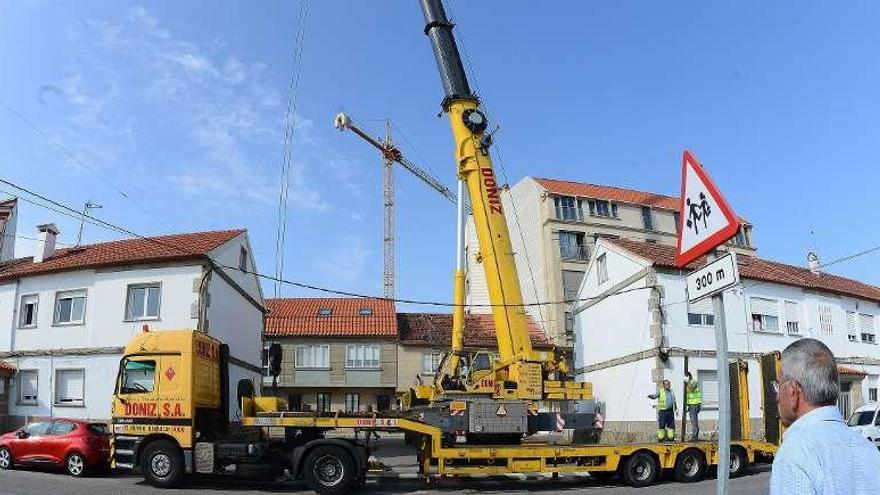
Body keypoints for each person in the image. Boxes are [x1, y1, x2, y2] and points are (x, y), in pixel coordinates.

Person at [770, 338, 880, 494]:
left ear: (792, 391)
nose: (776, 396)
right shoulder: (868, 449)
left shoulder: (796, 452)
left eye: (777, 385)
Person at [684, 371, 702, 441]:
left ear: (689, 376)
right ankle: (694, 435)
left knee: (694, 421)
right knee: (693, 421)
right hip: (691, 405)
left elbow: (692, 389)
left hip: (695, 405)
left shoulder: (693, 382)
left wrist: (687, 382)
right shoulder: (688, 384)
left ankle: (695, 436)